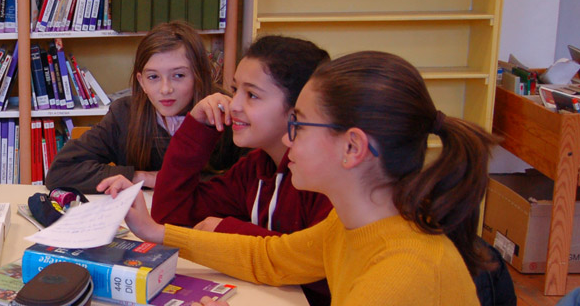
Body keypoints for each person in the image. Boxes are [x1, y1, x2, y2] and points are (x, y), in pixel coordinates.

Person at [120, 51, 498, 305]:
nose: (288, 140)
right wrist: (157, 233)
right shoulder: (350, 224)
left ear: (352, 147)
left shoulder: (402, 274)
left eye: (298, 125)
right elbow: (270, 258)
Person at [100, 35, 333, 304]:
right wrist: (196, 127)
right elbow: (173, 216)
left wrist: (226, 229)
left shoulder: (326, 182)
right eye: (235, 90)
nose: (234, 104)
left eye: (252, 95)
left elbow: (310, 265)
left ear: (299, 110)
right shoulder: (255, 167)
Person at [44, 21, 238, 193]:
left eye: (179, 75)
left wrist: (165, 180)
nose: (165, 89)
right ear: (141, 81)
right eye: (153, 77)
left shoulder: (225, 111)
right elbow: (61, 171)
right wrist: (141, 177)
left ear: (198, 76)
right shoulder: (124, 115)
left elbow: (247, 184)